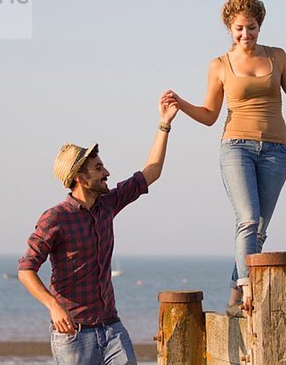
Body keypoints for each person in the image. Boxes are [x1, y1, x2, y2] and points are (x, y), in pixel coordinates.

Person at [164, 0, 286, 317]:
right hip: (236, 147)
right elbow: (209, 115)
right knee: (247, 219)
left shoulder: (277, 56)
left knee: (258, 229)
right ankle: (247, 291)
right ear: (229, 28)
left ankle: (234, 301)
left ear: (260, 26)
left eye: (252, 28)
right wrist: (181, 104)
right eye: (239, 29)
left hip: (277, 151)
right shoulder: (219, 64)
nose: (246, 34)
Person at [18, 96, 178, 365]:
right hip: (74, 334)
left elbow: (152, 172)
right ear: (80, 178)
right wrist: (53, 306)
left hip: (112, 328)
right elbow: (26, 269)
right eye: (98, 168)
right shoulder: (54, 218)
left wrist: (164, 124)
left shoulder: (108, 204)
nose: (107, 172)